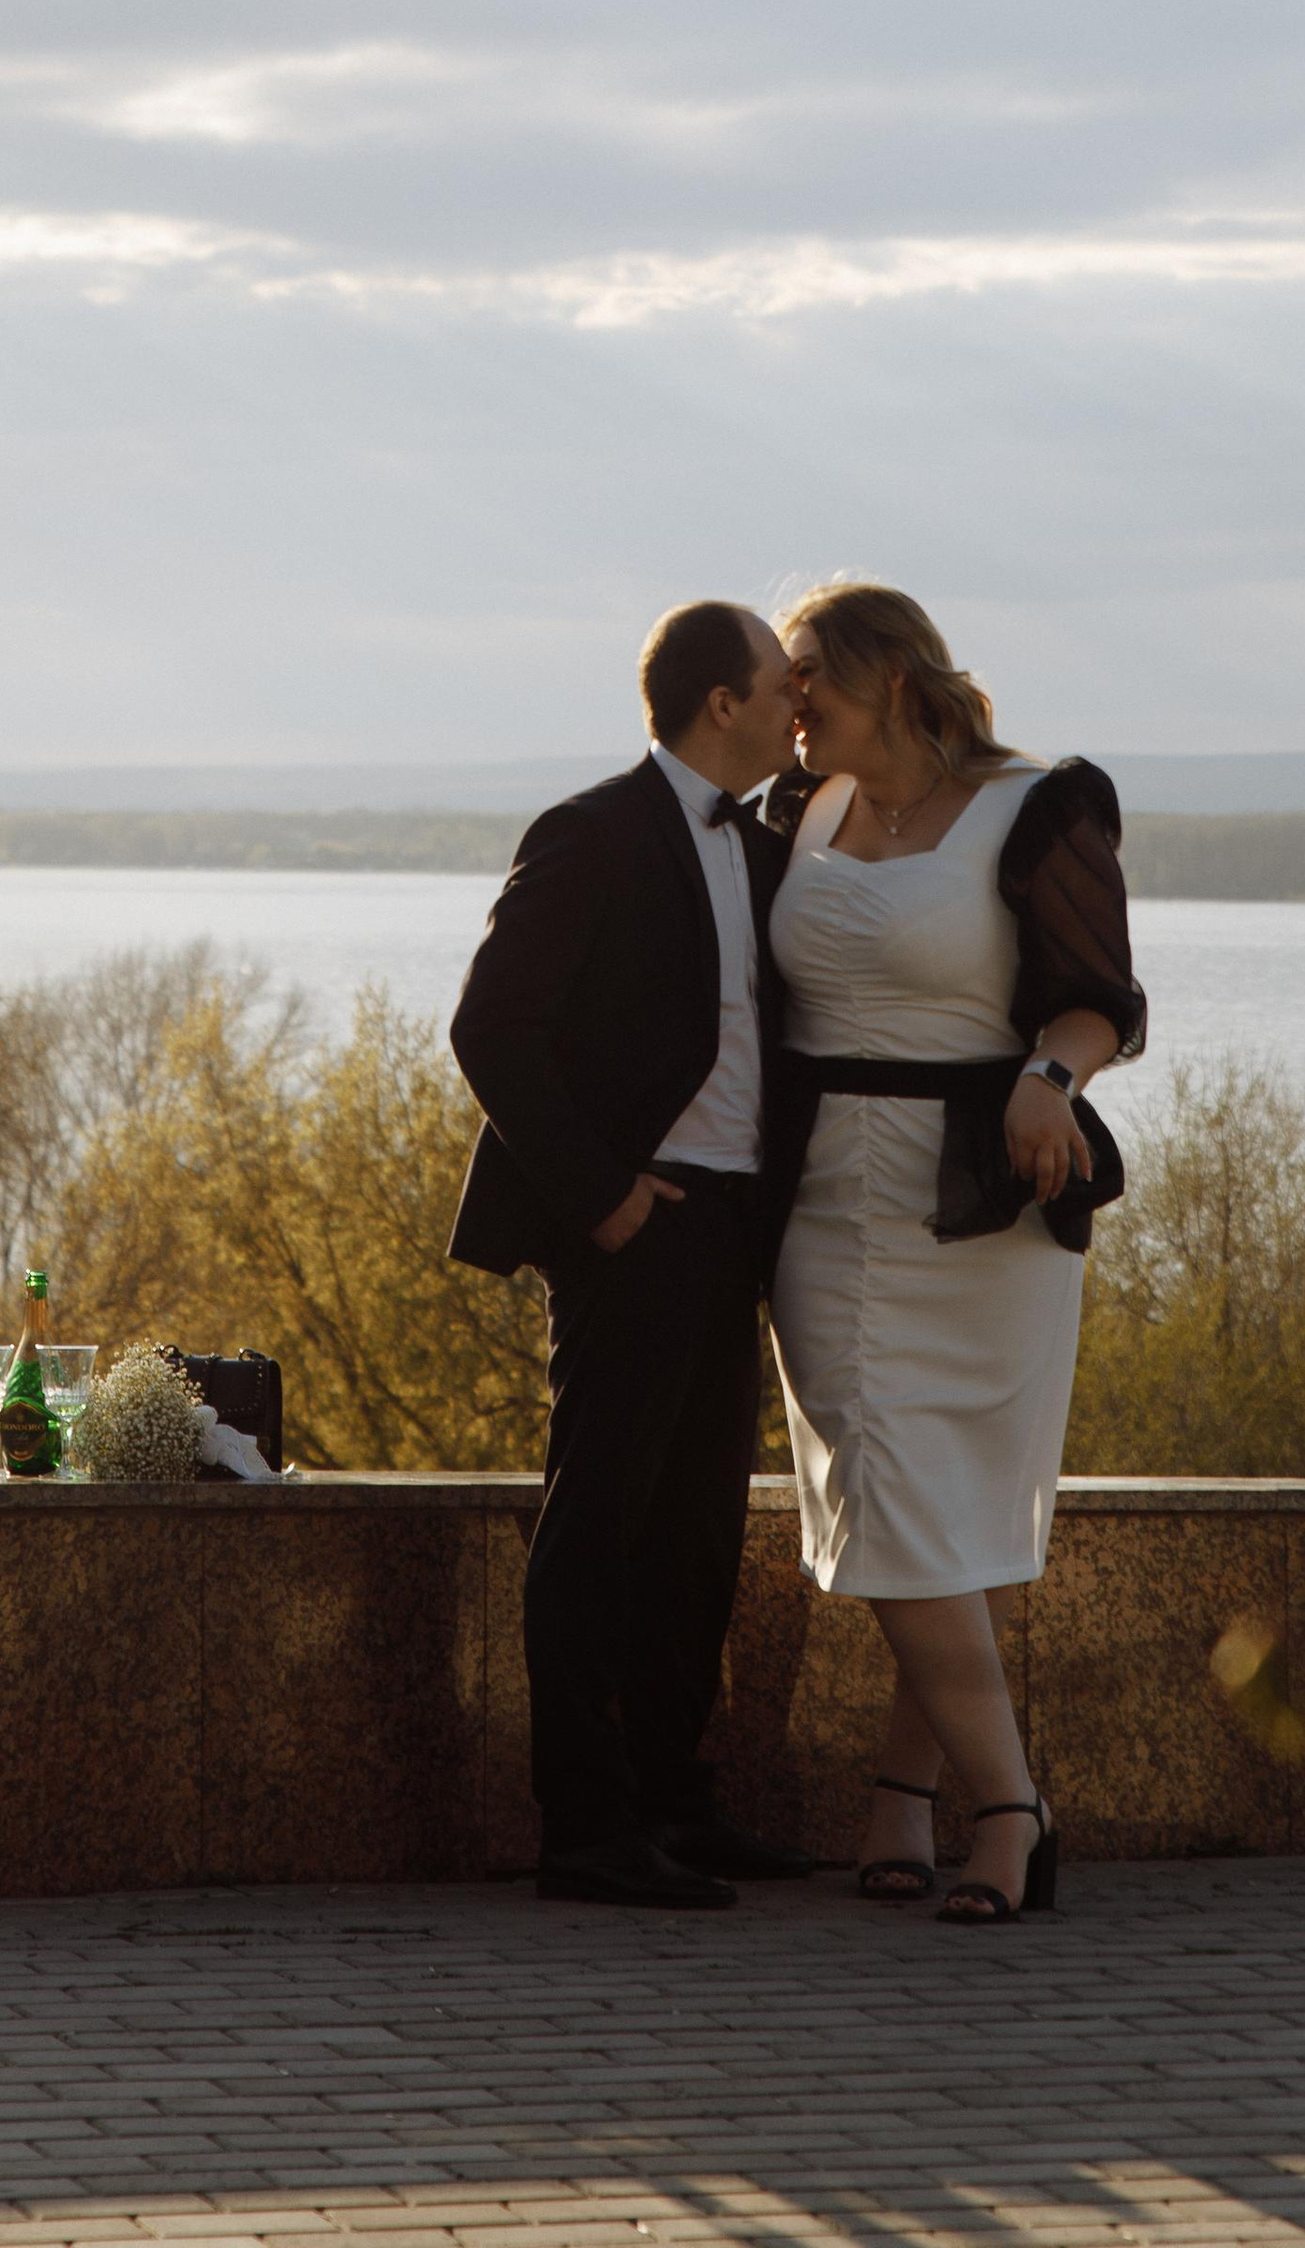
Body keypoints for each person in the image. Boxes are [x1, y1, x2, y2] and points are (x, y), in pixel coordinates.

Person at [758, 577, 1144, 1925]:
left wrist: (1051, 1074)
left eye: (811, 683)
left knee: (951, 1504)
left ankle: (905, 1803)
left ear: (896, 687)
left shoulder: (1037, 807)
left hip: (985, 1206)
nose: (789, 708)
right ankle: (1013, 1811)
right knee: (886, 1481)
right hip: (818, 1205)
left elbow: (1102, 1000)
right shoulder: (789, 812)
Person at [446, 598, 817, 1911]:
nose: (798, 706)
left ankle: (673, 1801)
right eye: (782, 685)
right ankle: (585, 1827)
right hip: (635, 1226)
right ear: (722, 703)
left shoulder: (765, 849)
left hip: (731, 1228)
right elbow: (491, 1029)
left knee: (701, 1531)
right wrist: (601, 1198)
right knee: (599, 1519)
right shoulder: (590, 834)